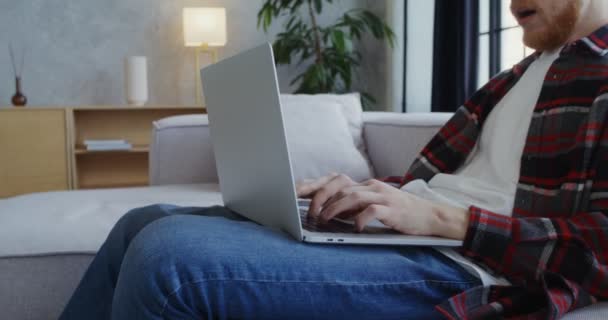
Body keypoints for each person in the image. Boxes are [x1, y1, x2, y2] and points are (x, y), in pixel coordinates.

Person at [60, 0, 608, 319]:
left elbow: (599, 249)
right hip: (415, 236)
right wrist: (360, 190)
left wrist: (444, 221)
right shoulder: (515, 77)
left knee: (169, 261)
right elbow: (443, 184)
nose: (511, 2)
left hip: (473, 263)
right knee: (142, 221)